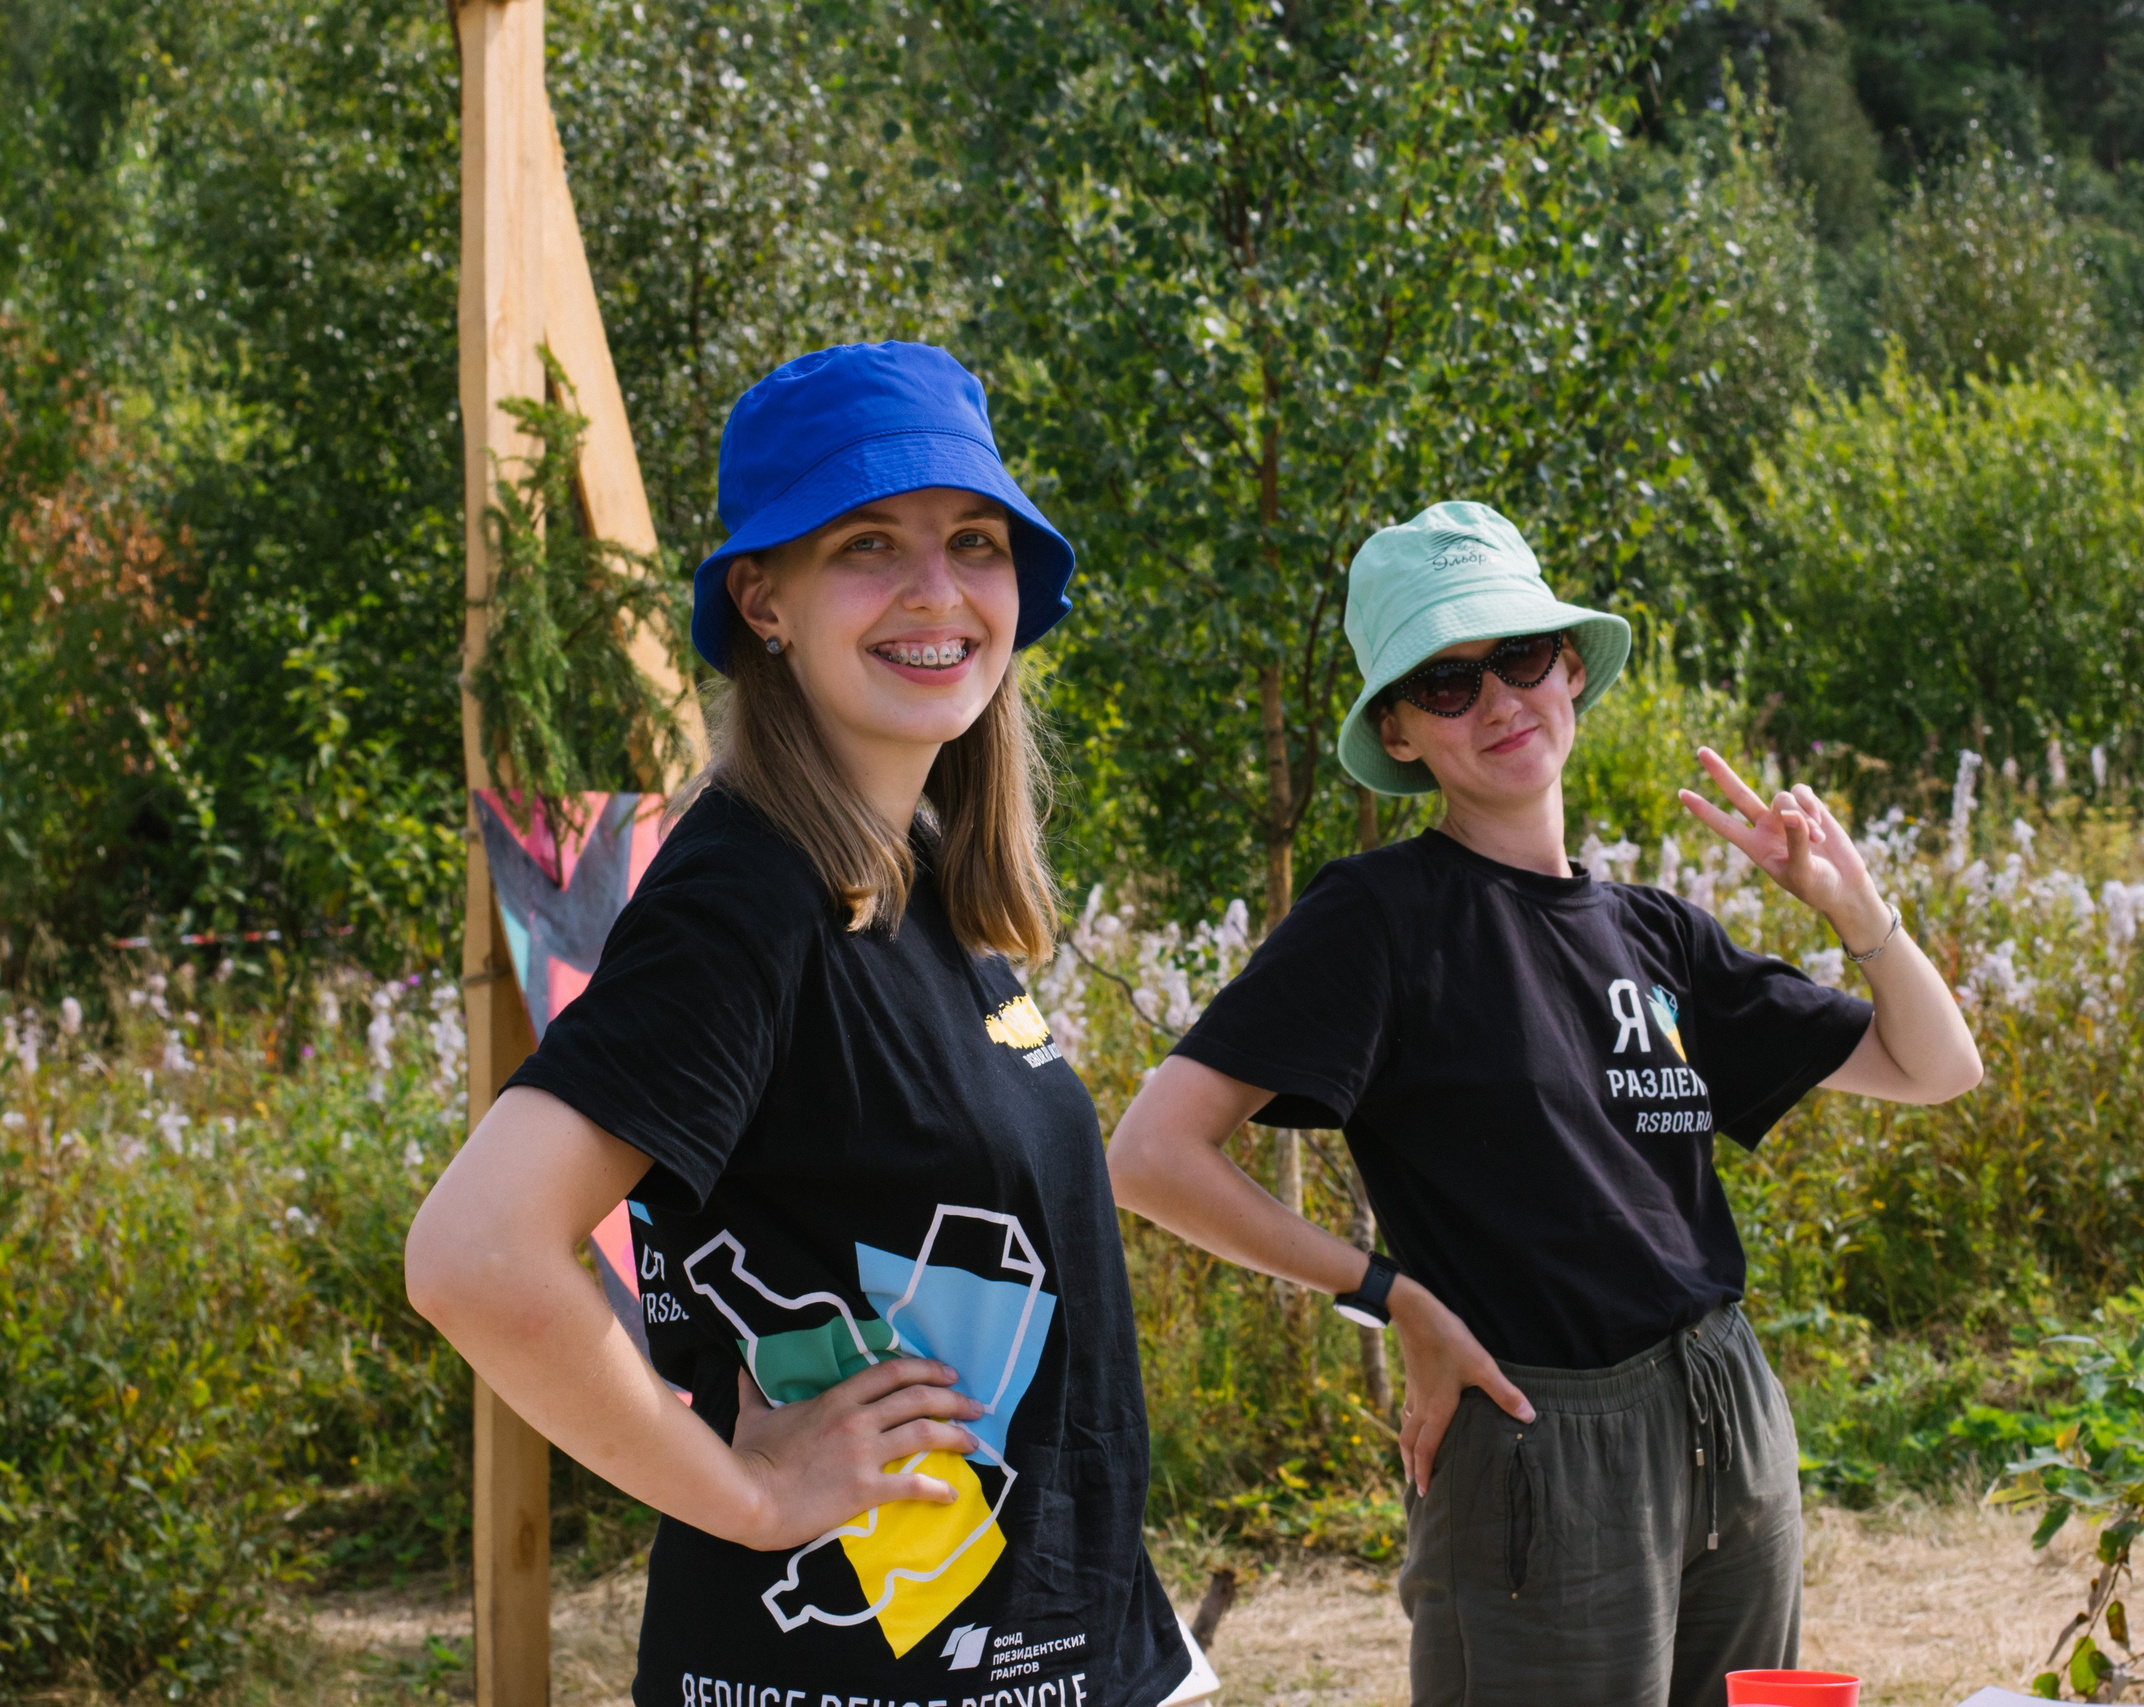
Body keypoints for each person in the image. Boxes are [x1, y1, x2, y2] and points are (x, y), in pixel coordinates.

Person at [407, 342, 1212, 1707]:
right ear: (763, 600)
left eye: (973, 539)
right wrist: (752, 1492)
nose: (937, 590)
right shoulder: (749, 893)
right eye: (866, 544)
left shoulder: (914, 874)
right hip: (847, 1665)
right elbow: (478, 1255)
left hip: (1044, 1653)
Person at [1107, 501, 1982, 1707]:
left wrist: (1854, 910)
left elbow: (1934, 1069)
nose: (1500, 701)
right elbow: (1150, 1156)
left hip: (1726, 1407)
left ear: (1569, 667)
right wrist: (1387, 1296)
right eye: (1448, 684)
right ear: (1401, 732)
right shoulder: (1381, 918)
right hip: (1536, 1435)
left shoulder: (1654, 931)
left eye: (1518, 658)